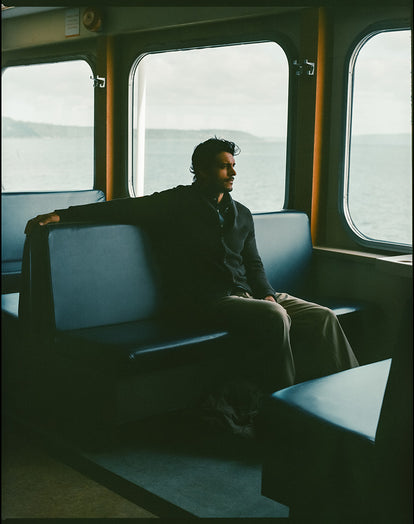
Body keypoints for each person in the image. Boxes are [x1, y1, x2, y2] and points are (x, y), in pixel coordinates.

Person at [25, 137, 359, 392]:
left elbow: (253, 264)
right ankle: (279, 404)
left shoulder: (240, 213)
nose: (233, 172)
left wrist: (268, 294)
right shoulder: (174, 203)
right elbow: (119, 209)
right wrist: (63, 215)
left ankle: (343, 397)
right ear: (200, 170)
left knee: (322, 316)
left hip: (246, 295)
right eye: (224, 166)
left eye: (233, 165)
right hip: (205, 301)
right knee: (274, 318)